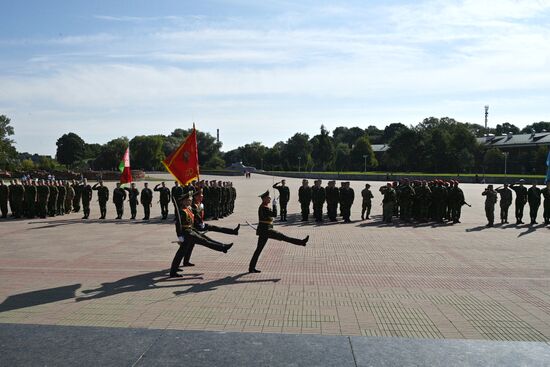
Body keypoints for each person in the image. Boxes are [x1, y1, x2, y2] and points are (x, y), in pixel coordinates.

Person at [170, 192, 233, 278]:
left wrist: (200, 223)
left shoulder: (188, 209)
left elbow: (194, 217)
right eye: (188, 200)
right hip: (187, 232)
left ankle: (173, 270)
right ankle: (222, 247)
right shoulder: (181, 211)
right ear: (183, 201)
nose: (190, 201)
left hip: (191, 230)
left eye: (190, 200)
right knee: (204, 241)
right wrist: (179, 235)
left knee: (182, 252)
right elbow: (178, 224)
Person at [248, 190, 308, 273]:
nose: (270, 199)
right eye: (268, 198)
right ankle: (301, 242)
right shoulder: (264, 207)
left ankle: (251, 268)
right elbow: (274, 214)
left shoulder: (263, 206)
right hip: (266, 230)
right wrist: (274, 205)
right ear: (264, 199)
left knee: (258, 249)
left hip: (264, 230)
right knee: (284, 237)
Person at [183, 190, 240, 267]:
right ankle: (224, 245)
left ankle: (233, 232)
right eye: (200, 195)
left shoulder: (199, 204)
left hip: (198, 226)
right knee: (206, 239)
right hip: (196, 227)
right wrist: (201, 223)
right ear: (196, 197)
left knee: (190, 245)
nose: (202, 196)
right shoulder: (193, 206)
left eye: (202, 195)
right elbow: (196, 216)